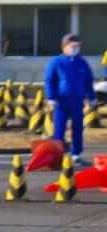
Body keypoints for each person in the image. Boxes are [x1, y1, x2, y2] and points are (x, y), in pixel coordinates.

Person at [44, 33, 95, 166]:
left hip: (77, 101)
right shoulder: (56, 62)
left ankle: (76, 155)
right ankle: (58, 156)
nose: (75, 48)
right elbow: (49, 81)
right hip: (61, 102)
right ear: (64, 47)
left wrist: (91, 97)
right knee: (59, 129)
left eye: (77, 46)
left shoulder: (82, 62)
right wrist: (51, 97)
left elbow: (88, 81)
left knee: (78, 128)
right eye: (72, 46)